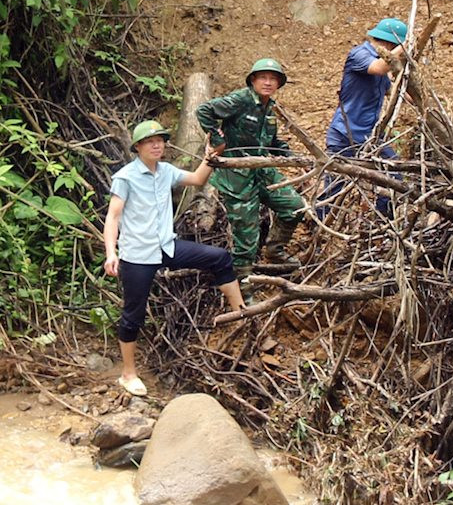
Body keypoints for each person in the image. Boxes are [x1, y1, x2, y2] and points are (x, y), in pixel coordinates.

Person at [102, 120, 241, 396]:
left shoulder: (166, 171)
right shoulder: (125, 177)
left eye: (160, 141)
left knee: (220, 258)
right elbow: (113, 217)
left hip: (167, 247)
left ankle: (241, 315)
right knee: (133, 314)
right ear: (138, 147)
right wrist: (111, 253)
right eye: (150, 141)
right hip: (138, 255)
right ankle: (128, 374)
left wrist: (212, 155)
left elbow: (198, 180)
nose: (156, 145)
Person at [197, 58, 308, 277]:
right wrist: (218, 140)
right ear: (253, 80)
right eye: (263, 78)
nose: (268, 82)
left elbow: (271, 141)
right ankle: (243, 283)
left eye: (273, 79)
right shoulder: (240, 99)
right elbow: (204, 110)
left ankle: (275, 251)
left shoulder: (270, 107)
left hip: (261, 170)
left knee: (295, 207)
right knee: (246, 236)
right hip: (236, 177)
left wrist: (292, 156)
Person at [322, 18, 406, 219]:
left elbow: (395, 91)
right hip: (345, 134)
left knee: (394, 175)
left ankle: (382, 220)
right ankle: (320, 223)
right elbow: (379, 68)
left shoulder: (383, 64)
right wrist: (404, 48)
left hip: (371, 137)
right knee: (334, 188)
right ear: (391, 44)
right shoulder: (360, 54)